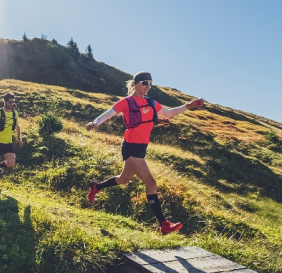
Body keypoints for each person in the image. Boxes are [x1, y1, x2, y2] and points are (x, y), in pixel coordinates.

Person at [85, 72, 204, 234]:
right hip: (131, 147)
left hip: (142, 147)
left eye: (150, 83)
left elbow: (168, 114)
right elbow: (108, 114)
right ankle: (164, 224)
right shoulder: (126, 102)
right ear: (135, 84)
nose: (148, 85)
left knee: (124, 179)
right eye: (144, 82)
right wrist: (95, 123)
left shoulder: (151, 102)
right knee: (151, 183)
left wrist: (188, 106)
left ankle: (96, 187)